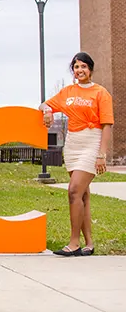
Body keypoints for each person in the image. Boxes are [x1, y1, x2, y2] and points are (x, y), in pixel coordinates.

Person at [40, 52, 113, 257]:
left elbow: (107, 125)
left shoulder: (101, 93)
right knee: (83, 195)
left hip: (92, 142)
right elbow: (44, 104)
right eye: (76, 67)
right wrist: (47, 111)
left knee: (73, 191)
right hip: (72, 143)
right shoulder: (68, 92)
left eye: (83, 67)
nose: (79, 70)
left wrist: (102, 154)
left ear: (90, 69)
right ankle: (89, 243)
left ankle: (74, 243)